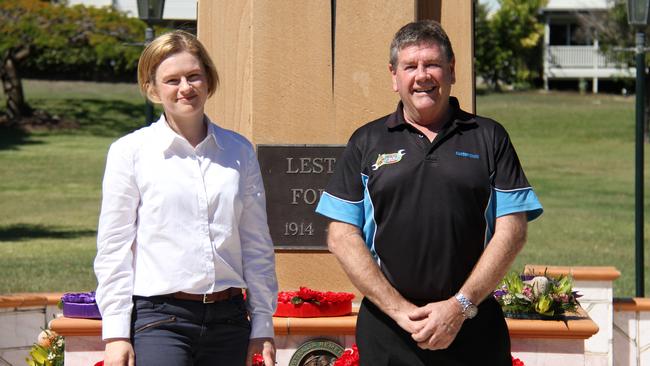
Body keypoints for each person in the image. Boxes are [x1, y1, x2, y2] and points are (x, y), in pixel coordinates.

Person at [315, 20, 543, 365]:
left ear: (451, 71)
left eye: (432, 64)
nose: (422, 76)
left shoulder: (489, 137)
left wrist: (460, 306)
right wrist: (400, 311)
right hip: (388, 333)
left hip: (474, 328)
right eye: (410, 66)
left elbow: (513, 230)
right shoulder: (367, 141)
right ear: (394, 76)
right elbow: (341, 236)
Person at [94, 30, 278, 366]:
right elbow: (114, 248)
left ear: (209, 80)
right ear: (152, 88)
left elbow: (256, 244)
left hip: (230, 319)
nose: (185, 88)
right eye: (172, 80)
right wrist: (116, 334)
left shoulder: (239, 152)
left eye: (194, 76)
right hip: (161, 320)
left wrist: (263, 324)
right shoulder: (129, 153)